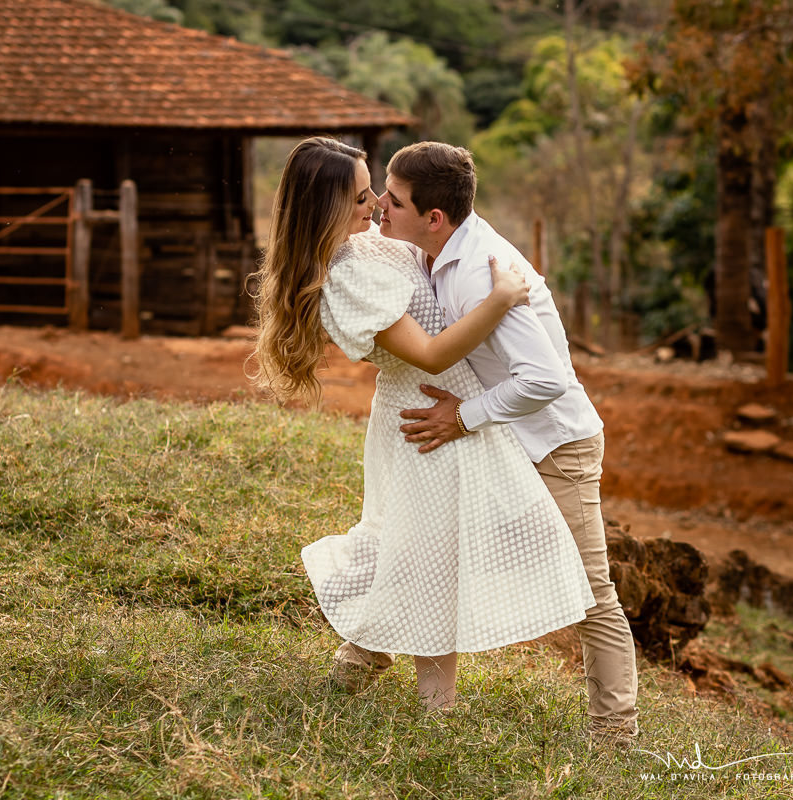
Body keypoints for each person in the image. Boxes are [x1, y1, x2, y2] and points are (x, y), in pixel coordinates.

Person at [249, 136, 595, 711]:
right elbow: (431, 354)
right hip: (426, 414)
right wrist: (501, 298)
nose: (377, 204)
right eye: (363, 197)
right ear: (327, 208)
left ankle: (362, 658)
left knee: (416, 545)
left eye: (378, 192)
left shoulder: (368, 243)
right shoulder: (346, 275)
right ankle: (437, 707)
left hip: (448, 410)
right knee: (427, 553)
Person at [375, 140, 639, 743]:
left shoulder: (479, 271)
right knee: (424, 550)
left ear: (434, 217)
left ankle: (615, 737)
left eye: (393, 200)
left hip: (554, 446)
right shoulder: (428, 250)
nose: (381, 208)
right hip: (500, 440)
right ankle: (360, 662)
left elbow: (545, 380)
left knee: (591, 594)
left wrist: (464, 417)